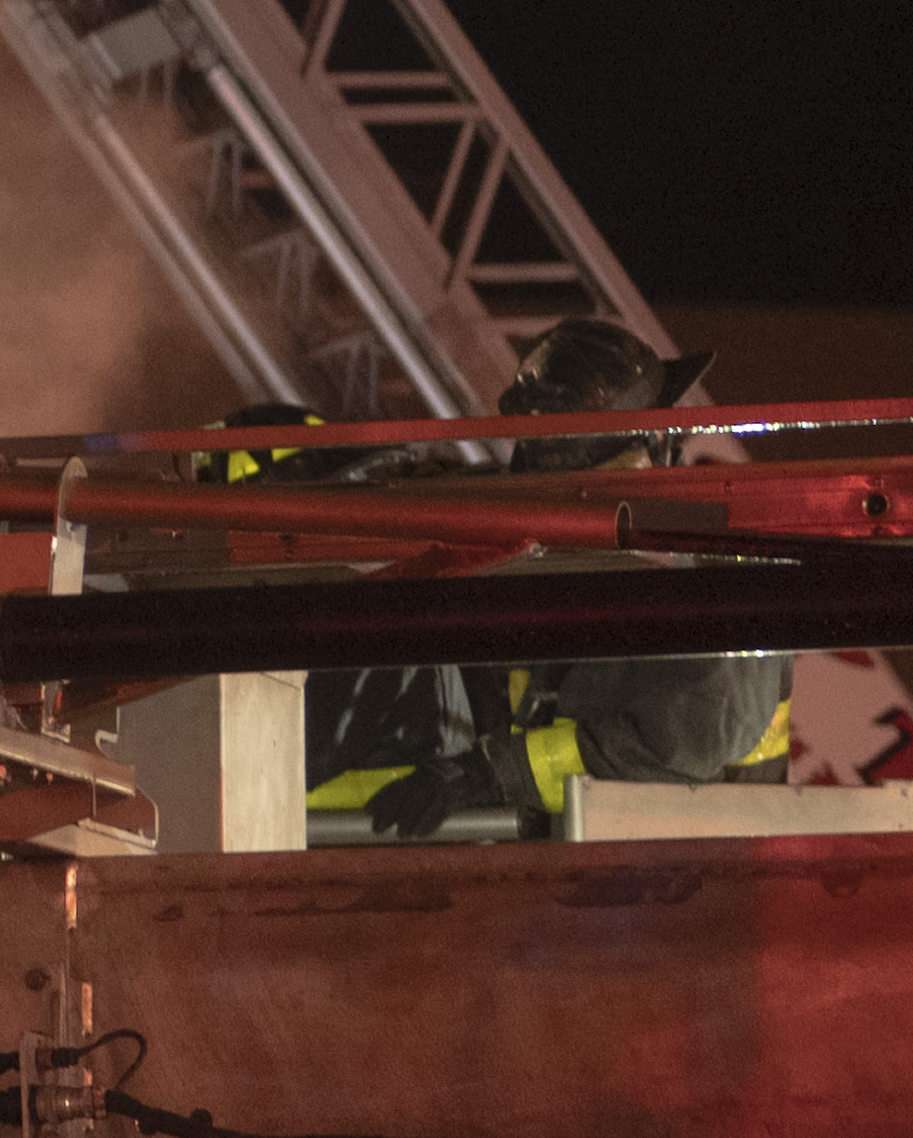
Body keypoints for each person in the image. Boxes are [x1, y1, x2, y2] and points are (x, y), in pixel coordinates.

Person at [309, 318, 792, 828]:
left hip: (705, 846)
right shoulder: (573, 547)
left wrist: (490, 773)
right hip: (594, 839)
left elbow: (684, 742)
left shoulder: (706, 560)